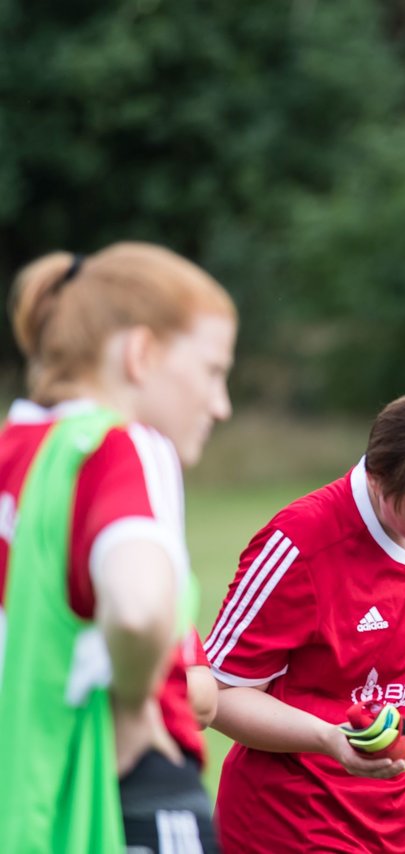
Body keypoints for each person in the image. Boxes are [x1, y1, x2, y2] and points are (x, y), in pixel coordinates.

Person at [206, 391, 405, 853]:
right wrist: (328, 739)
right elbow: (219, 692)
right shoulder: (298, 544)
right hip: (290, 833)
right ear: (377, 479)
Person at [0, 242, 237, 853]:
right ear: (140, 353)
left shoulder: (11, 453)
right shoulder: (122, 446)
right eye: (212, 371)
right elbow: (137, 610)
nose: (220, 405)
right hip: (117, 795)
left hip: (25, 798)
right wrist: (133, 708)